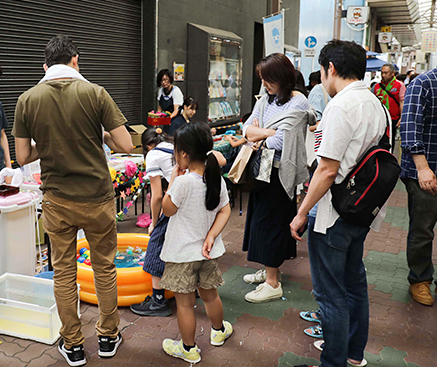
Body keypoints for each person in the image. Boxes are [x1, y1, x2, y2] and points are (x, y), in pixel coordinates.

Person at [12, 35, 132, 366]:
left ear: (45, 66)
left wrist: (47, 146)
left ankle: (74, 345)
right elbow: (123, 143)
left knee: (64, 272)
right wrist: (100, 136)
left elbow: (22, 156)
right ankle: (108, 337)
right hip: (96, 197)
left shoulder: (27, 99)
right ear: (76, 60)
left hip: (57, 201)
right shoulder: (95, 93)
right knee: (104, 266)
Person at [291, 39, 388, 367]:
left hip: (333, 213)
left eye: (321, 71)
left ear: (330, 69)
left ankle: (333, 363)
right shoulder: (375, 103)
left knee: (330, 293)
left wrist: (301, 212)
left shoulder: (341, 106)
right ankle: (352, 354)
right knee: (353, 284)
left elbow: (327, 169)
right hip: (360, 210)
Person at [241, 53, 315, 303]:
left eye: (268, 79)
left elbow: (281, 141)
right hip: (263, 168)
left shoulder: (299, 102)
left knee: (271, 224)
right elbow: (246, 128)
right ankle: (269, 270)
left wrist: (260, 134)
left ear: (282, 77)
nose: (264, 84)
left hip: (281, 173)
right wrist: (267, 132)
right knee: (260, 221)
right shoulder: (266, 99)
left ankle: (273, 283)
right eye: (262, 79)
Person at [159, 122, 233, 364]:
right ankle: (219, 332)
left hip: (182, 255)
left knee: (185, 304)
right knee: (211, 295)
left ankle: (189, 348)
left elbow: (167, 210)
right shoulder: (215, 178)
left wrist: (172, 181)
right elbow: (225, 210)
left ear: (183, 154)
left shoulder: (183, 182)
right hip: (207, 252)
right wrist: (211, 235)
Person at [400, 66, 437, 306]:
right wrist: (423, 168)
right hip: (424, 170)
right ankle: (420, 279)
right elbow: (410, 128)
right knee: (423, 229)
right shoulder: (423, 83)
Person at [130, 127, 176, 317]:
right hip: (196, 198)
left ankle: (158, 302)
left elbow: (156, 197)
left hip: (177, 201)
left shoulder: (153, 155)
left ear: (148, 145)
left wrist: (154, 222)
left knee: (156, 244)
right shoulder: (173, 146)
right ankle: (192, 291)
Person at [373, 63, 405, 141]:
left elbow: (402, 102)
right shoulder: (377, 86)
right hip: (380, 118)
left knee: (391, 141)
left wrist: (401, 118)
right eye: (382, 73)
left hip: (393, 118)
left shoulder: (399, 85)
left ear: (393, 73)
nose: (383, 75)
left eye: (386, 73)